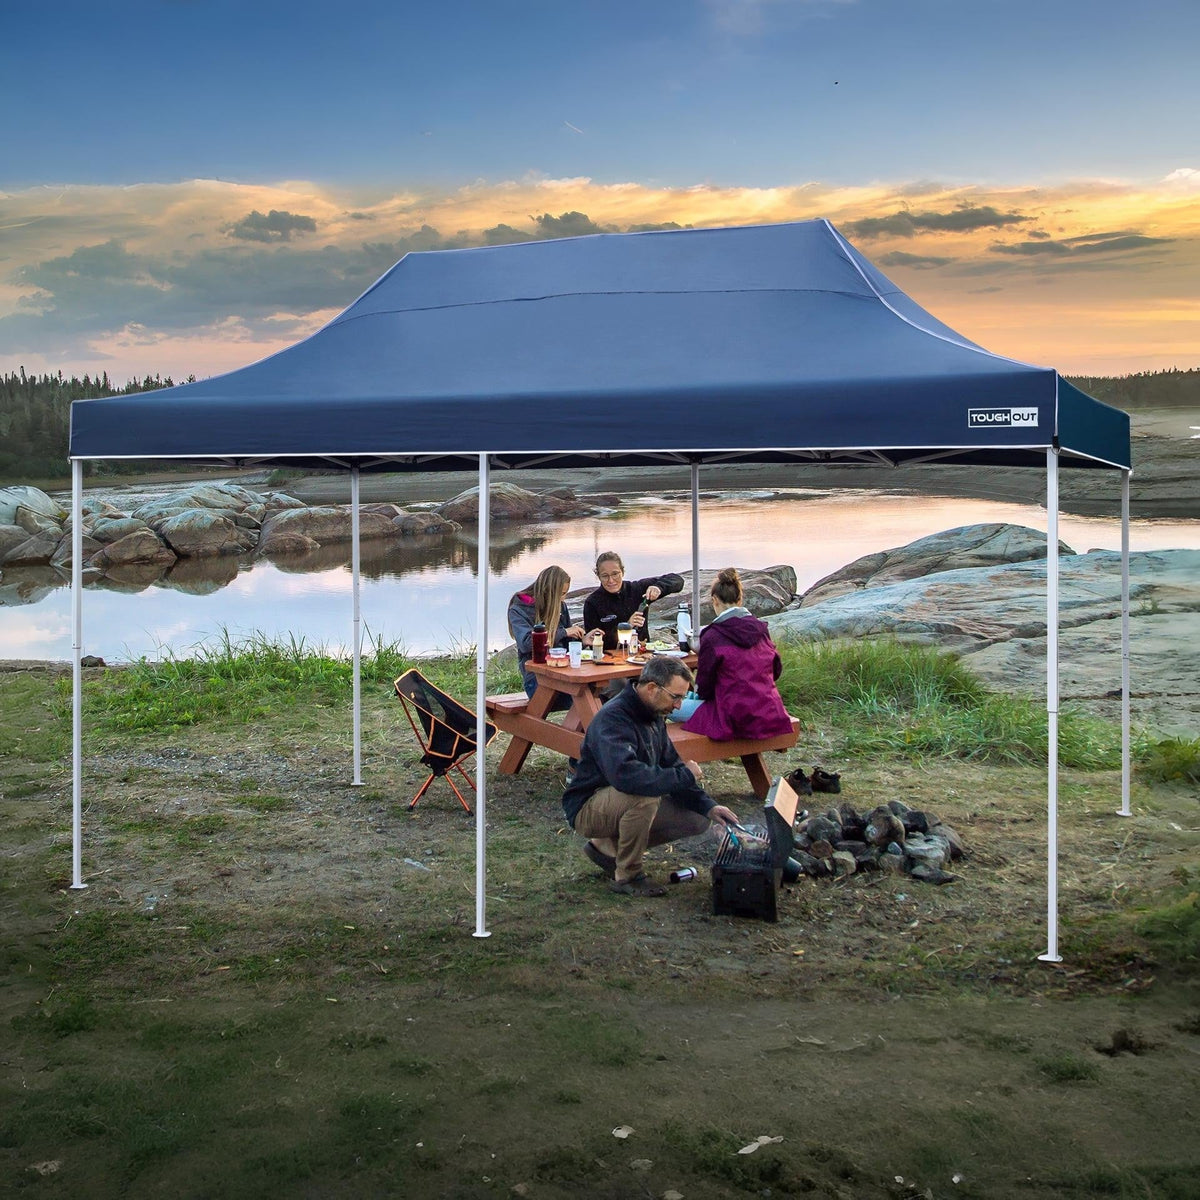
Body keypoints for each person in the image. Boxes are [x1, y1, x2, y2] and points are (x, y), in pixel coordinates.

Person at [562, 656, 739, 896]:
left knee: (698, 818)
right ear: (652, 688)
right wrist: (685, 775)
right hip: (588, 806)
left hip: (619, 800)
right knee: (643, 798)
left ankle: (608, 850)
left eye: (682, 698)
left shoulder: (654, 716)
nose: (678, 706)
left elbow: (672, 764)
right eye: (675, 697)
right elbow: (626, 777)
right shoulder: (614, 718)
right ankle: (628, 876)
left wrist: (708, 806)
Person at [673, 567, 793, 739]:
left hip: (732, 716)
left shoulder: (713, 635)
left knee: (668, 704)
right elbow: (776, 670)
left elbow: (705, 687)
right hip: (767, 710)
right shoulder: (760, 630)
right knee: (688, 696)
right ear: (740, 599)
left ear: (714, 600)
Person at [507, 565, 587, 701]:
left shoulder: (561, 606)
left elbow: (567, 643)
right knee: (584, 696)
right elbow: (526, 644)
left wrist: (583, 641)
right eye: (561, 594)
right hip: (537, 679)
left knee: (594, 692)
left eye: (565, 593)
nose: (563, 599)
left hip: (564, 672)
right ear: (547, 591)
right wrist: (565, 632)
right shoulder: (519, 609)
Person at [583, 551, 683, 653]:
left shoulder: (637, 589)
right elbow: (594, 642)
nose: (611, 580)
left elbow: (677, 580)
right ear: (598, 576)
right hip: (609, 660)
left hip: (642, 655)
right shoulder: (592, 603)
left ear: (622, 572)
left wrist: (658, 587)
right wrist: (626, 626)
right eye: (605, 576)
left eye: (615, 574)